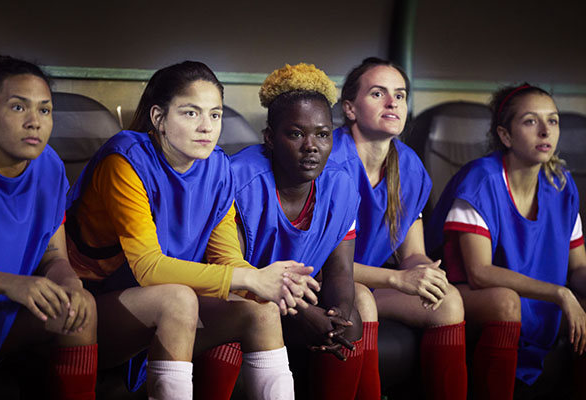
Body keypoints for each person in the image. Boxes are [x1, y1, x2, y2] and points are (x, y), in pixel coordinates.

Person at [65, 60, 318, 400]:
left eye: (214, 115)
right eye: (190, 113)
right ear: (159, 118)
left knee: (262, 309)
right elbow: (149, 267)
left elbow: (225, 256)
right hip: (91, 311)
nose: (206, 127)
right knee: (179, 298)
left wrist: (274, 283)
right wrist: (249, 279)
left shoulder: (217, 168)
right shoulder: (124, 161)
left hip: (166, 309)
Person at [230, 63, 381, 399]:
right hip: (241, 298)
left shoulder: (340, 185)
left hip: (296, 301)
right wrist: (305, 314)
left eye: (323, 134)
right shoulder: (241, 180)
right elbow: (232, 273)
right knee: (247, 314)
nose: (311, 145)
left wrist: (337, 315)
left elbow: (341, 271)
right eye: (296, 134)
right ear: (270, 138)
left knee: (351, 320)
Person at [426, 83, 586, 399]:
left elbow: (579, 266)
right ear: (505, 135)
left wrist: (571, 292)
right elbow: (480, 273)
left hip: (537, 304)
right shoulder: (481, 178)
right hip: (464, 295)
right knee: (506, 302)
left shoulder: (561, 183)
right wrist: (560, 294)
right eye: (530, 121)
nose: (545, 131)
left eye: (552, 121)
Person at [329, 57, 467, 399]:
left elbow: (413, 253)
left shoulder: (409, 164)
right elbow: (325, 267)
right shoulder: (329, 159)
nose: (392, 103)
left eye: (400, 95)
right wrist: (398, 279)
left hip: (374, 282)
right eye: (378, 94)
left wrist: (424, 272)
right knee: (361, 302)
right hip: (327, 284)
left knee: (448, 301)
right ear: (350, 108)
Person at [0, 55, 98, 399]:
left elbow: (53, 252)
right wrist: (10, 283)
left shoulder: (49, 165)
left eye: (45, 110)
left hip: (5, 316)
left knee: (79, 306)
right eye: (19, 108)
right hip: (4, 294)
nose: (34, 122)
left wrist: (69, 282)